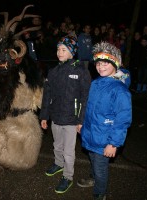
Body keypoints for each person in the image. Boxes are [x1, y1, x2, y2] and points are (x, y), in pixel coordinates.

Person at [77, 42, 132, 200]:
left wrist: (113, 143)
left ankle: (100, 192)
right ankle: (93, 178)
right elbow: (87, 106)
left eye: (106, 63)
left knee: (101, 167)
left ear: (115, 64)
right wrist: (81, 123)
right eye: (98, 63)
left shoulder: (120, 90)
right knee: (93, 160)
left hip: (105, 139)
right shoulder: (95, 83)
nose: (101, 67)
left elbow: (122, 120)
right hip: (91, 133)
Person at [40, 35, 91, 194]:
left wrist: (81, 120)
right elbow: (47, 95)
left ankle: (68, 176)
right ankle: (58, 163)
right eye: (58, 49)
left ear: (72, 52)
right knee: (57, 144)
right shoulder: (53, 71)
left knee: (69, 151)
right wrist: (44, 116)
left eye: (64, 49)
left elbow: (85, 97)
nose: (59, 52)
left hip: (71, 119)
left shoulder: (80, 69)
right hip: (56, 117)